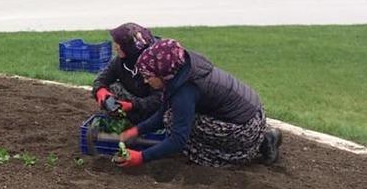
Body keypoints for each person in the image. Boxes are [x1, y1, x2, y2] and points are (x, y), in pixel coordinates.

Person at [115, 39, 282, 168]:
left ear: (161, 71)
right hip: (251, 113)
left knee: (176, 125)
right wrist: (136, 131)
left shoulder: (185, 90)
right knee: (172, 117)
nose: (145, 80)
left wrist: (141, 157)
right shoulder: (181, 69)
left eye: (148, 75)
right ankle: (263, 138)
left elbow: (178, 140)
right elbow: (163, 111)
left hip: (244, 126)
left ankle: (259, 145)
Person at [92, 23, 162, 125]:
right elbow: (101, 79)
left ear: (130, 47)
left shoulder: (156, 63)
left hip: (155, 112)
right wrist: (100, 91)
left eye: (118, 44)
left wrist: (133, 105)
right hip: (130, 104)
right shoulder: (120, 61)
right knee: (113, 87)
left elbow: (160, 99)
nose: (115, 47)